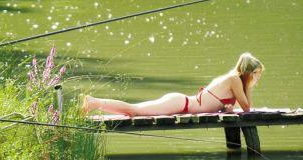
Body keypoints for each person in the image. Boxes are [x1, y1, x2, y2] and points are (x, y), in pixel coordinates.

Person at [82, 53, 264, 116]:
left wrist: (226, 109)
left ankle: (94, 103)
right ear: (249, 73)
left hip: (181, 103)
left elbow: (238, 106)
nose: (258, 79)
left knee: (133, 111)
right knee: (133, 111)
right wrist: (249, 85)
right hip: (181, 103)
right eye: (256, 75)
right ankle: (94, 102)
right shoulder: (235, 79)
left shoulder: (234, 80)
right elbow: (247, 108)